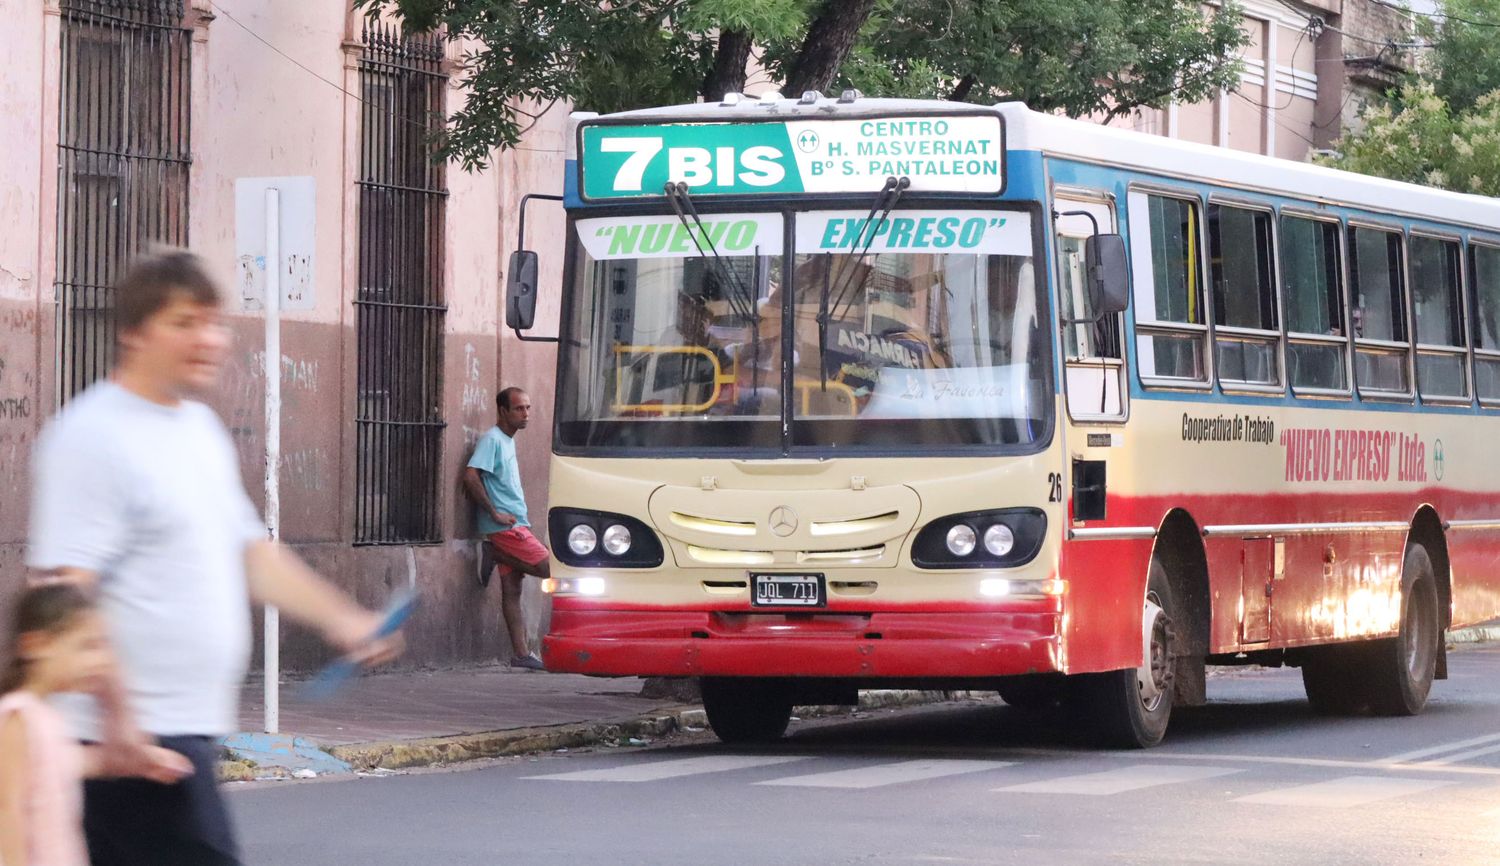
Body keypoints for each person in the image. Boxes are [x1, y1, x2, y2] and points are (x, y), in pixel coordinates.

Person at [26, 249, 403, 866]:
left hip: (178, 729)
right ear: (133, 332)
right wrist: (118, 717)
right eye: (183, 322)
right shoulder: (91, 437)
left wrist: (345, 619)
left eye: (213, 321)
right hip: (128, 735)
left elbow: (250, 554)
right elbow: (67, 594)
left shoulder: (196, 430)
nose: (207, 339)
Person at [0, 584, 190, 866]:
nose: (99, 661)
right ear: (36, 646)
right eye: (86, 646)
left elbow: (70, 763)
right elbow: (7, 816)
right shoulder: (17, 718)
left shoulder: (48, 718)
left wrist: (142, 762)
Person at [463, 387, 551, 670]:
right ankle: (496, 554)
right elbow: (470, 476)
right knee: (550, 568)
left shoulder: (507, 440)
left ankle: (521, 655)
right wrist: (494, 513)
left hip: (515, 522)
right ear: (502, 411)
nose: (525, 414)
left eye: (527, 408)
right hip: (506, 529)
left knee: (512, 590)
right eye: (518, 409)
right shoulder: (492, 440)